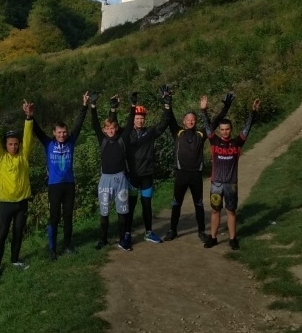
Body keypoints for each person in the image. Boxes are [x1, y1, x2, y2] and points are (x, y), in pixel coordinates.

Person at [163, 90, 234, 242]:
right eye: (188, 119)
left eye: (193, 119)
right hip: (181, 174)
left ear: (195, 122)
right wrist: (167, 102)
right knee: (176, 203)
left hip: (195, 174)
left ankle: (202, 231)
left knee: (199, 204)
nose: (191, 121)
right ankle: (172, 230)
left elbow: (215, 122)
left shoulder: (201, 134)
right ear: (183, 121)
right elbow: (168, 118)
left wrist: (225, 107)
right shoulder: (178, 132)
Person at [108, 89, 171, 247]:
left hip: (147, 175)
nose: (140, 121)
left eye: (142, 118)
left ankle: (149, 232)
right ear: (133, 119)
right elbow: (112, 126)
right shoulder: (126, 133)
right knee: (130, 205)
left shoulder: (150, 132)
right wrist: (113, 108)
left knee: (147, 205)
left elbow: (164, 123)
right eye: (137, 118)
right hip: (131, 176)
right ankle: (128, 233)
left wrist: (167, 105)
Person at [32, 92, 90, 261]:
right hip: (54, 186)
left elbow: (78, 124)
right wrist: (30, 116)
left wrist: (84, 106)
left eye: (64, 132)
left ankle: (67, 245)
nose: (63, 135)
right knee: (54, 217)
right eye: (59, 132)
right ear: (54, 133)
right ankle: (52, 249)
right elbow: (36, 130)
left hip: (69, 184)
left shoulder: (71, 142)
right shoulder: (48, 143)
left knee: (68, 216)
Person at [201, 97, 261, 250]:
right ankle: (213, 237)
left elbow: (248, 128)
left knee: (231, 211)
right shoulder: (214, 141)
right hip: (216, 183)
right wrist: (203, 111)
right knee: (215, 211)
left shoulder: (237, 142)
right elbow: (208, 127)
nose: (225, 132)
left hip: (231, 183)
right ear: (219, 131)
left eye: (227, 129)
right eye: (222, 129)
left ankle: (233, 238)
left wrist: (253, 112)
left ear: (231, 130)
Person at [0, 100, 35, 281]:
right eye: (10, 144)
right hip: (6, 203)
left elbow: (29, 139)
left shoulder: (23, 156)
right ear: (5, 145)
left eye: (16, 144)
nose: (14, 147)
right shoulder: (0, 158)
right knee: (2, 234)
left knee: (18, 231)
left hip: (22, 202)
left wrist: (29, 118)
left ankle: (15, 260)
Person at [90, 92, 135, 251]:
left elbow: (130, 125)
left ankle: (122, 239)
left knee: (122, 211)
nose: (110, 130)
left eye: (113, 127)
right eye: (107, 128)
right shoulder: (102, 139)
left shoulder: (122, 139)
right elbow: (95, 124)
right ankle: (103, 239)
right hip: (105, 179)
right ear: (104, 129)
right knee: (104, 212)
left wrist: (133, 106)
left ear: (116, 128)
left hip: (120, 179)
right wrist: (93, 106)